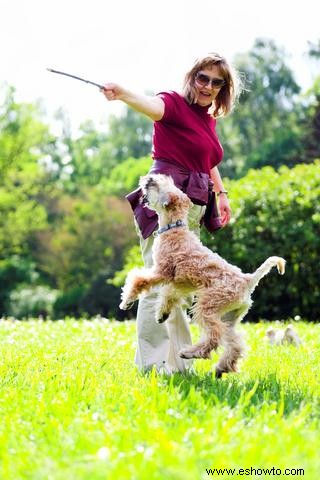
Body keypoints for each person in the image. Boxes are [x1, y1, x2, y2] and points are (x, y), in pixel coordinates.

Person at [101, 53, 242, 373]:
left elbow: (208, 160)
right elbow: (152, 106)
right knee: (157, 279)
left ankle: (178, 365)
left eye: (216, 82)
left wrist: (221, 194)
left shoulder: (207, 118)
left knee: (177, 285)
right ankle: (151, 366)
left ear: (223, 88)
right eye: (202, 78)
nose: (207, 86)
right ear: (192, 77)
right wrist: (123, 93)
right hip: (165, 202)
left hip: (193, 205)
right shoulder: (174, 104)